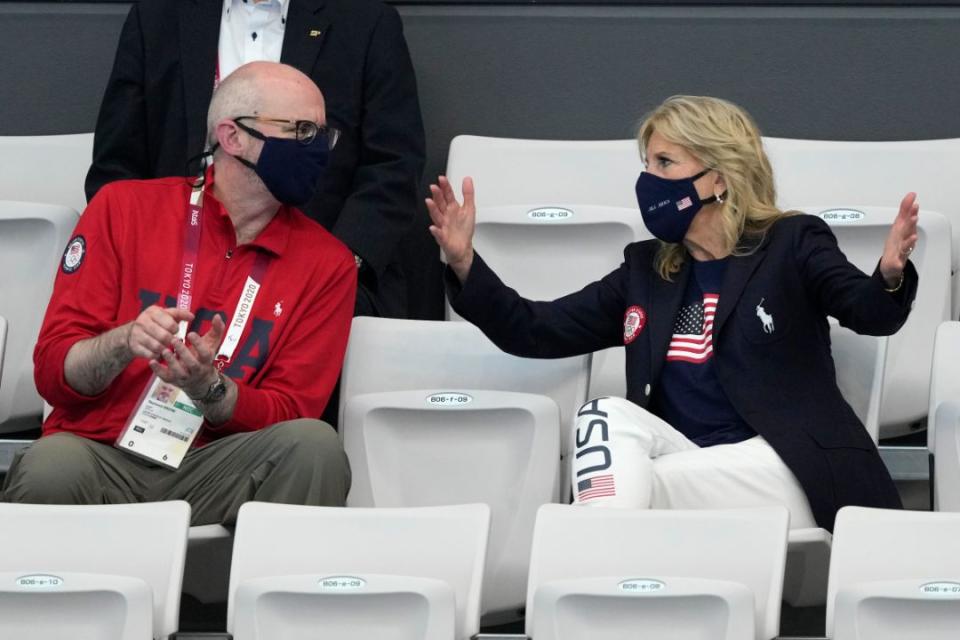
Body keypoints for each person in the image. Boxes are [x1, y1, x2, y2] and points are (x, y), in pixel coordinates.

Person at [427, 95, 918, 532]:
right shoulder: (646, 269)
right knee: (602, 415)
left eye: (665, 163)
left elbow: (869, 312)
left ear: (719, 179)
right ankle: (611, 558)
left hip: (785, 465)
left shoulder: (791, 243)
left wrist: (890, 273)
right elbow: (537, 330)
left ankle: (598, 568)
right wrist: (465, 263)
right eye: (647, 163)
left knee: (635, 488)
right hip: (689, 464)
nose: (648, 180)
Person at [2, 62, 356, 526]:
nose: (317, 150)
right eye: (301, 131)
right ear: (232, 138)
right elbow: (53, 372)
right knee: (50, 467)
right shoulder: (122, 209)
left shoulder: (327, 262)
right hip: (100, 456)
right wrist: (124, 341)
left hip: (216, 465)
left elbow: (291, 410)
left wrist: (210, 388)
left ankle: (264, 598)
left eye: (322, 135)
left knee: (316, 447)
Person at [85, 0, 425, 319]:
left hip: (312, 279)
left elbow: (394, 166)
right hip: (172, 273)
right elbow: (117, 164)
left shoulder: (365, 20)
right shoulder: (157, 16)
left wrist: (330, 269)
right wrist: (151, 262)